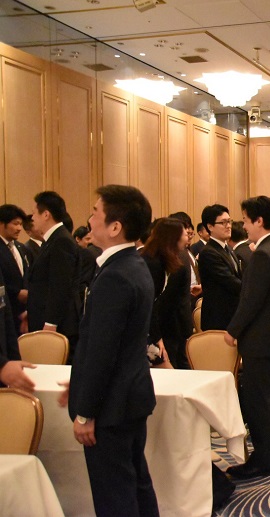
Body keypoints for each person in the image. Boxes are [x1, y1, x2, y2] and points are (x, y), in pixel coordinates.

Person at [62, 184, 159, 517]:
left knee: (114, 497)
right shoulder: (132, 264)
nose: (89, 219)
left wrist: (85, 412)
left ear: (115, 226)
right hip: (128, 396)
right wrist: (78, 384)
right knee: (135, 484)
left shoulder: (116, 275)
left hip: (111, 405)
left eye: (95, 212)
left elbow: (103, 352)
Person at [224, 196, 270, 479]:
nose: (244, 226)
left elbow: (251, 300)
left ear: (259, 221)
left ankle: (261, 460)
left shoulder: (263, 253)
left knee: (257, 400)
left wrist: (232, 330)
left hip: (260, 338)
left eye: (246, 220)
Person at [26, 191, 82, 359]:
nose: (32, 218)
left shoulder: (61, 241)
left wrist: (51, 323)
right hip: (47, 319)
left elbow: (60, 285)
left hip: (58, 324)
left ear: (46, 215)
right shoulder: (52, 240)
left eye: (34, 213)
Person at [140, 218, 193, 369]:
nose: (187, 237)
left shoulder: (161, 260)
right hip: (145, 329)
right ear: (173, 238)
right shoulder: (152, 263)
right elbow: (149, 303)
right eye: (184, 234)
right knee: (167, 370)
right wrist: (158, 338)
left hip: (152, 327)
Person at [198, 204, 242, 331]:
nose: (228, 226)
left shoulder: (228, 249)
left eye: (229, 221)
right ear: (210, 226)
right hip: (218, 318)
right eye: (223, 223)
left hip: (232, 315)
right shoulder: (209, 252)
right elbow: (230, 281)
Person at [0, 204, 32, 334]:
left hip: (24, 313)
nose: (19, 228)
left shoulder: (21, 248)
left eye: (20, 224)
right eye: (15, 224)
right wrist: (16, 293)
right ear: (2, 224)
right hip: (6, 313)